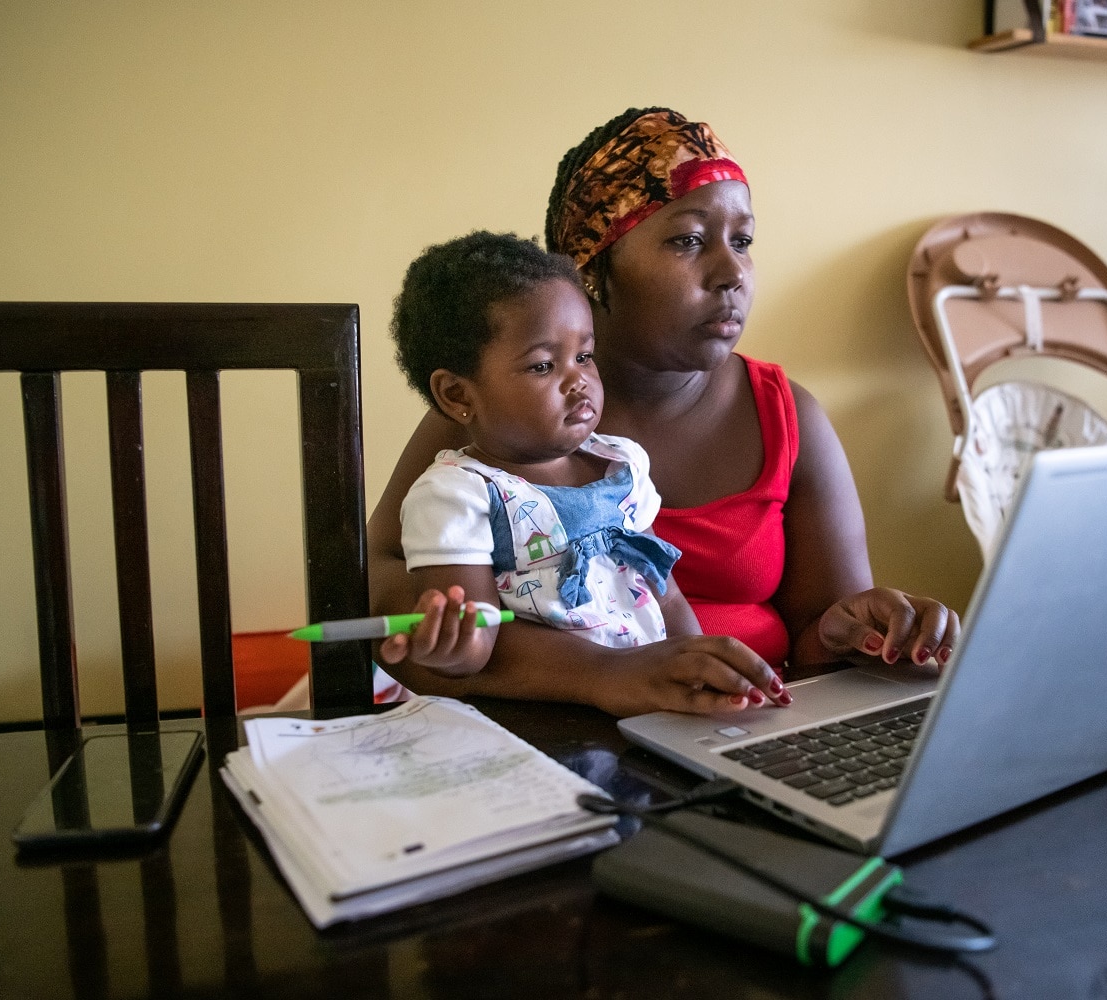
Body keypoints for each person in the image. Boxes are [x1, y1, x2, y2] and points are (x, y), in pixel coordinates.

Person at [367, 107, 959, 716]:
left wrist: (856, 635)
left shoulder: (788, 416)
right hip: (548, 738)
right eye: (688, 240)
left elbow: (817, 652)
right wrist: (604, 674)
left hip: (736, 732)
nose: (732, 273)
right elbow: (395, 609)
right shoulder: (505, 414)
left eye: (744, 241)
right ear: (592, 268)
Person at [390, 231, 745, 689]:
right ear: (457, 394)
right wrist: (449, 646)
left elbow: (666, 596)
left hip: (653, 708)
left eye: (584, 356)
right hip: (544, 723)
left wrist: (705, 670)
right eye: (543, 365)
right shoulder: (456, 496)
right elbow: (477, 646)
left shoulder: (622, 466)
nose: (578, 381)